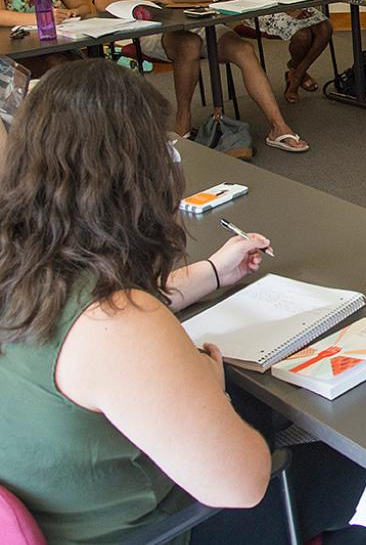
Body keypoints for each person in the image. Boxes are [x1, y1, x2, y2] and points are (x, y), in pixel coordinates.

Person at [0, 60, 274, 542]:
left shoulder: (21, 259)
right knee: (354, 479)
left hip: (59, 509)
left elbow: (87, 318)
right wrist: (215, 391)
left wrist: (212, 271)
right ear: (138, 174)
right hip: (160, 528)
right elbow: (243, 485)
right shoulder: (119, 321)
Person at [91, 0, 309, 153]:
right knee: (188, 44)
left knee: (244, 50)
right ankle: (183, 120)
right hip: (152, 31)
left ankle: (278, 127)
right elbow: (101, 2)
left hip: (194, 20)